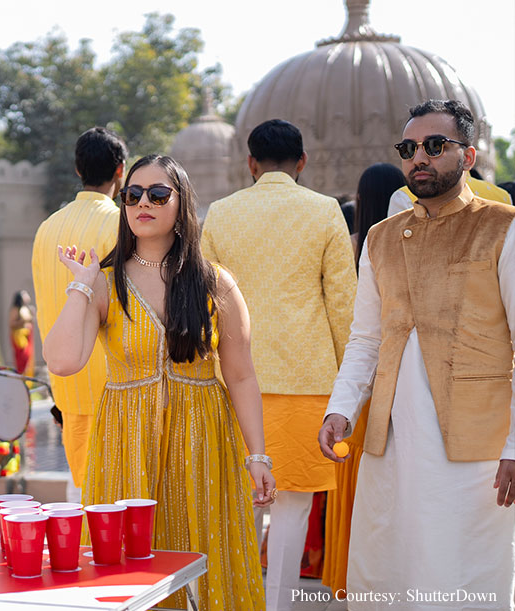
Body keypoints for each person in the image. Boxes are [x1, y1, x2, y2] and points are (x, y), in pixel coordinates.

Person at [44, 154, 274, 611]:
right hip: (124, 442)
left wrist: (258, 456)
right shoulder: (107, 283)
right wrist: (82, 286)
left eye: (157, 194)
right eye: (132, 195)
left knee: (207, 557)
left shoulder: (215, 283)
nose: (141, 203)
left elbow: (242, 376)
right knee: (129, 565)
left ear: (181, 202)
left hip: (203, 442)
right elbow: (64, 361)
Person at [319, 99, 515, 609]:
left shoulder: (502, 228)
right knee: (388, 569)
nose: (418, 158)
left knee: (463, 575)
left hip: (476, 446)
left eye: (434, 146)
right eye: (409, 148)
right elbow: (366, 338)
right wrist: (341, 408)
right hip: (394, 439)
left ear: (468, 156)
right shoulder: (380, 240)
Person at [200, 119, 356, 610]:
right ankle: (281, 603)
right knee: (293, 503)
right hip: (307, 381)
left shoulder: (220, 215)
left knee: (240, 503)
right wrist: (350, 390)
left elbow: (200, 305)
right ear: (301, 163)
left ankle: (238, 599)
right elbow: (344, 309)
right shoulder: (324, 211)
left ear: (251, 163)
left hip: (232, 382)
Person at [320, 162, 404, 595]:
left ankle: (346, 576)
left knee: (356, 490)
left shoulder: (355, 244)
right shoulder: (388, 245)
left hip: (352, 385)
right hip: (388, 382)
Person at [31, 126, 127, 502]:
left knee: (85, 493)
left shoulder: (46, 229)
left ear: (77, 170)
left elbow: (45, 308)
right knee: (118, 502)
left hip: (68, 385)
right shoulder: (124, 225)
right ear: (121, 170)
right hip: (116, 386)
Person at [8, 290, 36, 376]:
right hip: (20, 337)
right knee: (23, 357)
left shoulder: (27, 308)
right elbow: (12, 324)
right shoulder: (15, 309)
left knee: (29, 358)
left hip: (28, 335)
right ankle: (22, 377)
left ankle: (29, 378)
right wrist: (23, 322)